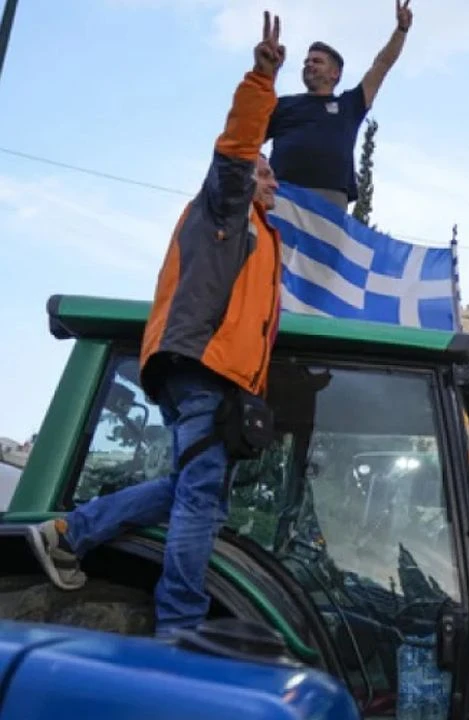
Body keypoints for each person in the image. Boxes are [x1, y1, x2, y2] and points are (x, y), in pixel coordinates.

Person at [28, 12, 288, 639]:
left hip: (202, 372)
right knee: (201, 499)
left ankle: (71, 531)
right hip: (203, 370)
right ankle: (181, 631)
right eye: (265, 171)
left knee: (187, 486)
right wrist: (261, 79)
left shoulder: (256, 235)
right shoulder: (228, 206)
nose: (272, 179)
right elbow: (233, 152)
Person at [265, 0, 414, 211]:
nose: (309, 64)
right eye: (306, 61)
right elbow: (249, 138)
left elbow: (381, 65)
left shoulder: (349, 105)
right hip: (282, 194)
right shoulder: (284, 105)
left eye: (317, 61)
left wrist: (401, 30)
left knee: (324, 246)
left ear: (335, 73)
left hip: (329, 200)